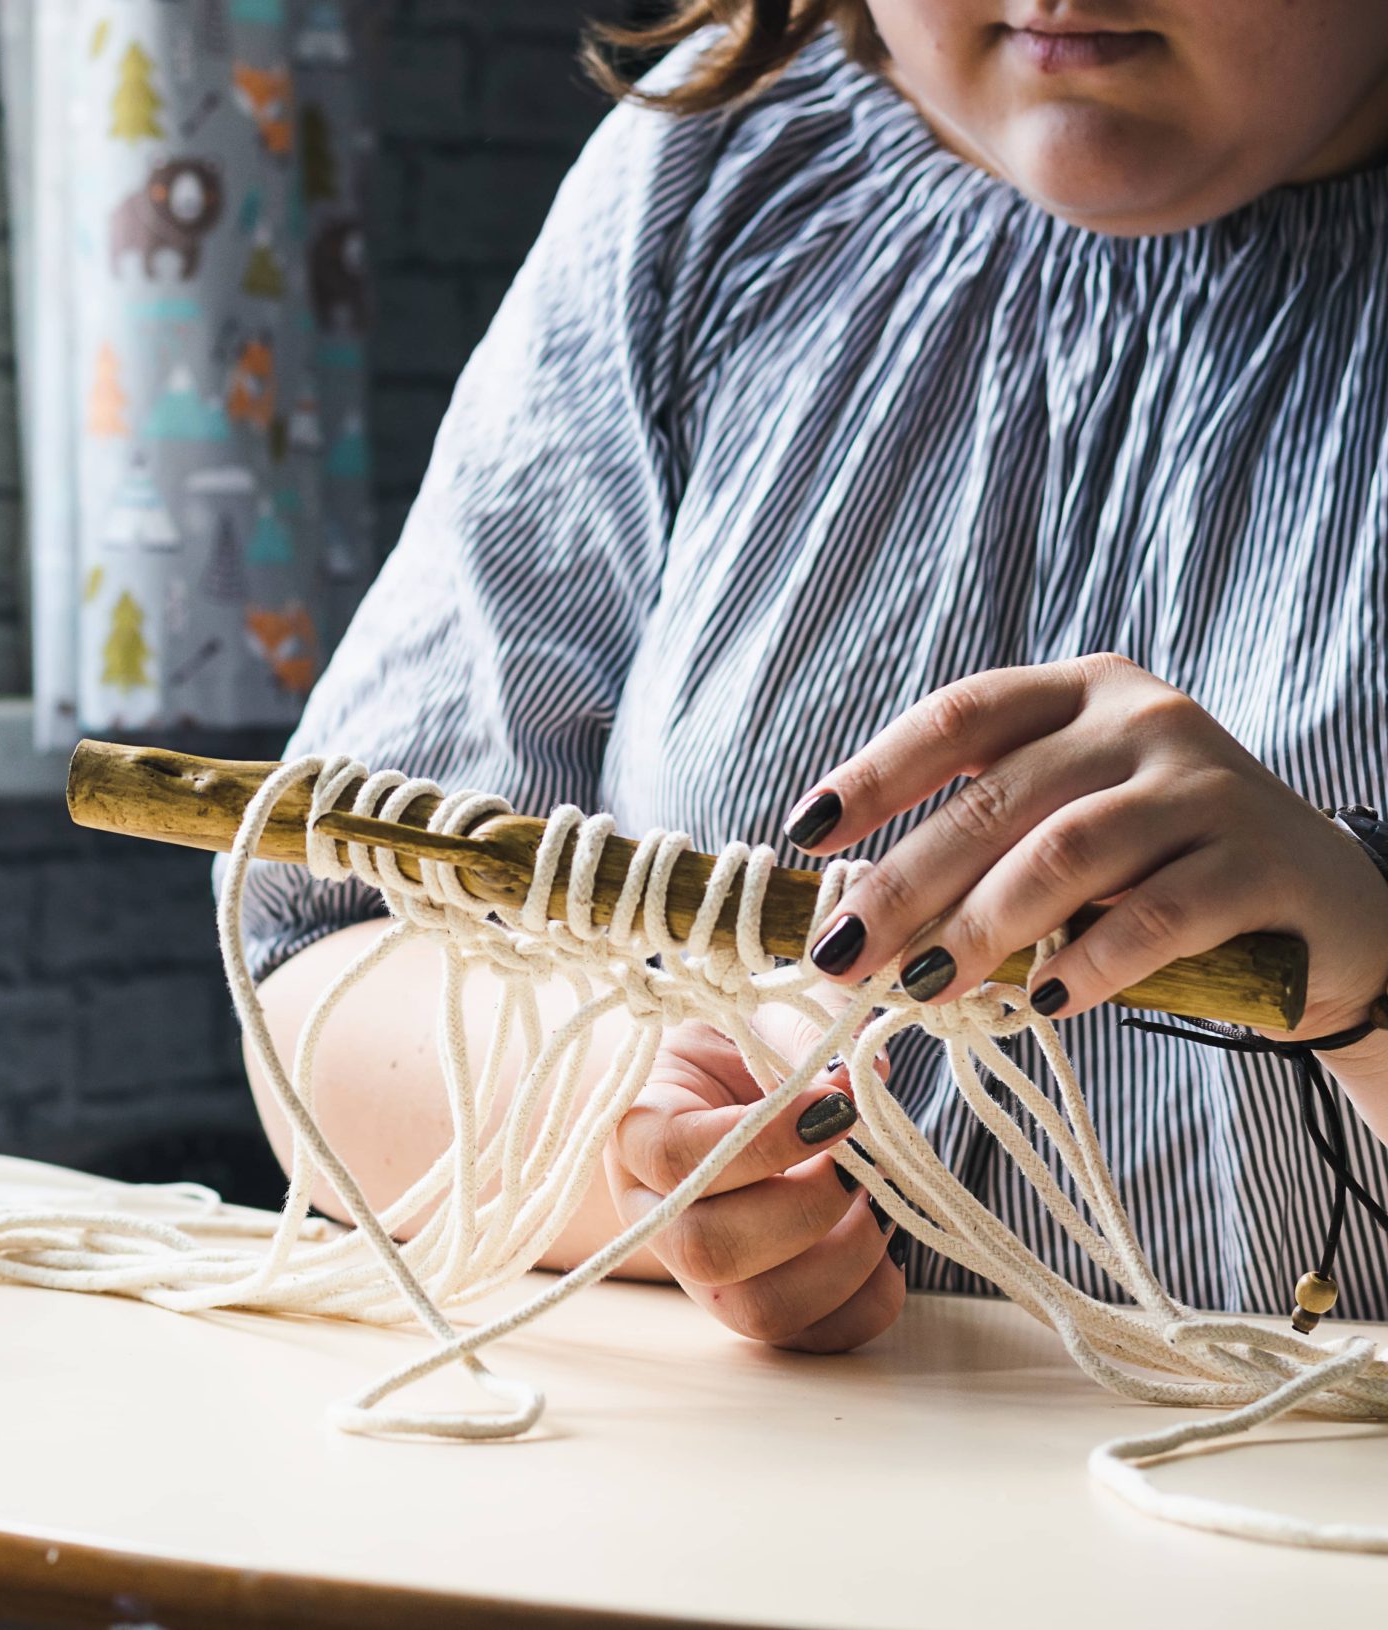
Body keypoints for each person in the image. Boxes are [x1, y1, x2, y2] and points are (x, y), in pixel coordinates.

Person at [238, 0, 1388, 1352]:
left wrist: (1368, 980)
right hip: (708, 1535)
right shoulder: (717, 165)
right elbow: (318, 952)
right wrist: (632, 1138)